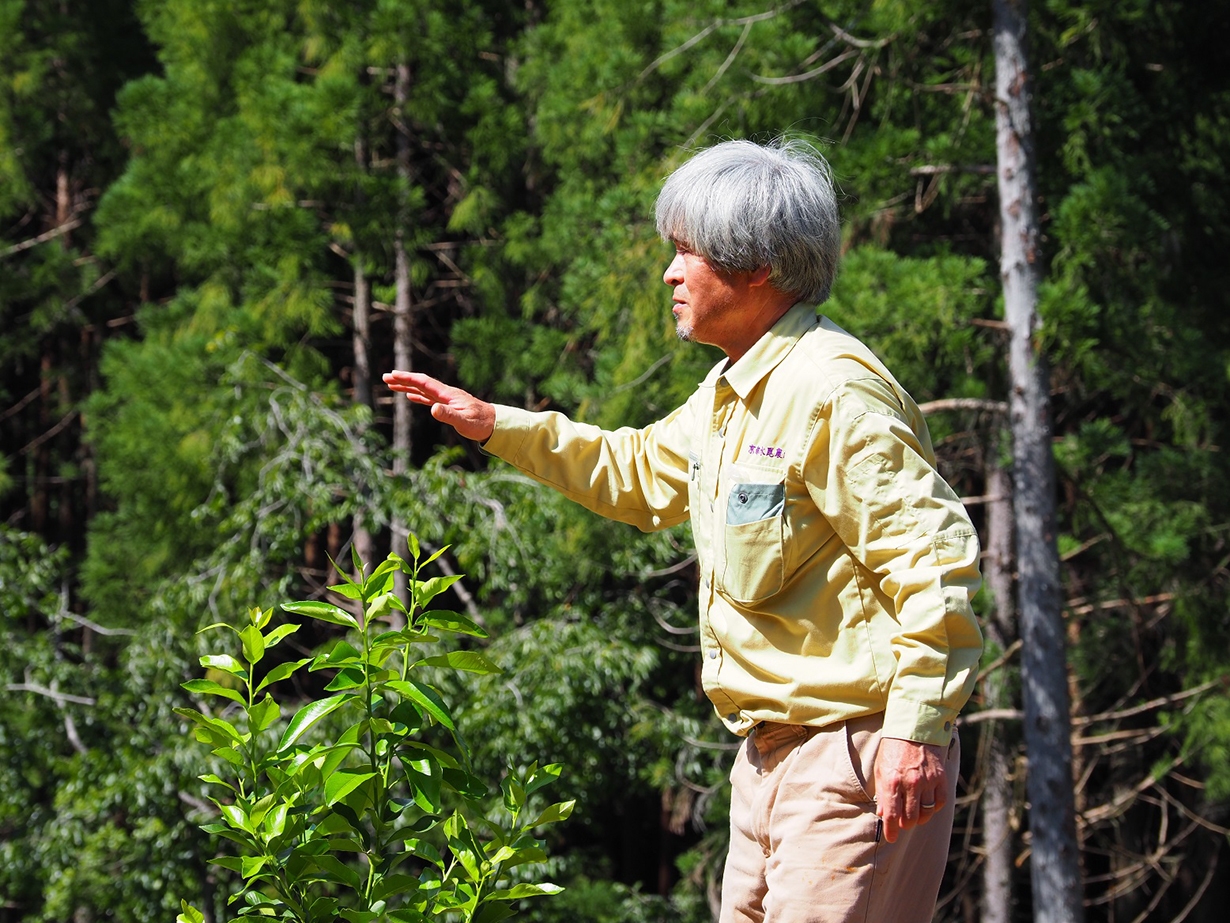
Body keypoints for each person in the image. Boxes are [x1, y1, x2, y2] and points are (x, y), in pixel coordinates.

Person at [385, 138, 983, 923]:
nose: (669, 273)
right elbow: (635, 473)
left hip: (854, 755)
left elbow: (932, 558)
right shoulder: (733, 391)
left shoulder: (832, 388)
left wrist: (915, 731)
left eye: (686, 252)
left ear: (756, 264)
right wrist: (495, 424)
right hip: (768, 761)